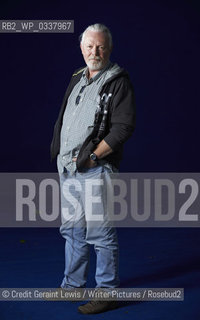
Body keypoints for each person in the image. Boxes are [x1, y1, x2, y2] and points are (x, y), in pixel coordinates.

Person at [50, 23, 136, 314]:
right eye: (89, 46)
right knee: (73, 231)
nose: (94, 52)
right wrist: (60, 153)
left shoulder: (118, 81)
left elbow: (123, 127)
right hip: (69, 169)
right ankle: (72, 288)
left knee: (99, 233)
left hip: (95, 169)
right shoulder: (77, 76)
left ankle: (107, 292)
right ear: (81, 48)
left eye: (100, 47)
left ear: (109, 49)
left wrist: (93, 158)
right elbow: (65, 118)